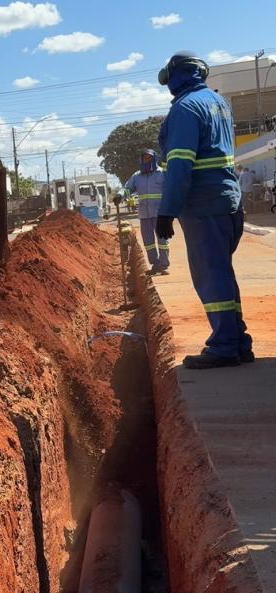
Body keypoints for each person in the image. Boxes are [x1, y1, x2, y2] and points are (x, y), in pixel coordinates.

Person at [156, 51, 251, 369]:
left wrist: (166, 210)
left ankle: (225, 347)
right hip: (227, 202)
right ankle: (239, 342)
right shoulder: (217, 103)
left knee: (211, 278)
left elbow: (180, 164)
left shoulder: (185, 109)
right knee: (222, 273)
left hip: (203, 205)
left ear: (176, 75)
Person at [123, 149, 169, 274]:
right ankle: (155, 264)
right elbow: (127, 189)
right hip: (144, 215)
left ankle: (164, 264)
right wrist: (120, 195)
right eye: (144, 158)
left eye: (149, 158)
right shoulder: (137, 176)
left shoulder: (162, 173)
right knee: (148, 242)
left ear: (154, 159)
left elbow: (171, 189)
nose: (146, 160)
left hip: (161, 214)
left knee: (162, 241)